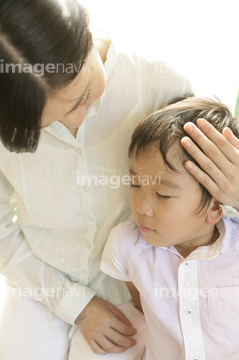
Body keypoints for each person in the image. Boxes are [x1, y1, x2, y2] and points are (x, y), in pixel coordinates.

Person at [0, 0, 238, 359]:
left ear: (88, 25)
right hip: (41, 279)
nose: (76, 119)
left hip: (144, 285)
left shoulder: (162, 83)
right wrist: (74, 304)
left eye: (82, 97)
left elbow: (207, 194)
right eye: (49, 124)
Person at [100, 97, 239, 360]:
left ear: (215, 206)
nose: (142, 207)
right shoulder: (127, 245)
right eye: (136, 185)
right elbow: (141, 301)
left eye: (163, 195)